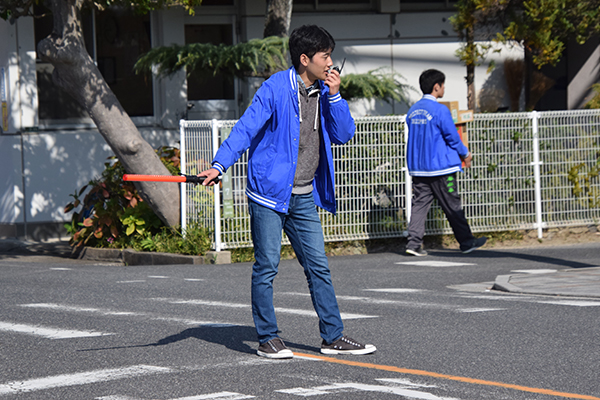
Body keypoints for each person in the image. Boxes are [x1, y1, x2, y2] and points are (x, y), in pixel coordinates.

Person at [199, 25, 376, 359]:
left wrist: (336, 96)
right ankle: (267, 337)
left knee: (318, 267)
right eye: (325, 56)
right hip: (268, 193)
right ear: (305, 59)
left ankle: (332, 337)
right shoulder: (276, 88)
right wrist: (220, 164)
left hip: (303, 194)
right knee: (267, 266)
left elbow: (343, 134)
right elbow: (246, 128)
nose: (330, 63)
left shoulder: (325, 92)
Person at [404, 69, 487, 256]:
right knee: (452, 205)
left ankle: (413, 244)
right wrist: (465, 153)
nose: (444, 88)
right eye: (443, 85)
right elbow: (452, 136)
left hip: (419, 169)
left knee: (419, 206)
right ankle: (466, 242)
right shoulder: (440, 110)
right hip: (441, 168)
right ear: (436, 87)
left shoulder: (413, 110)